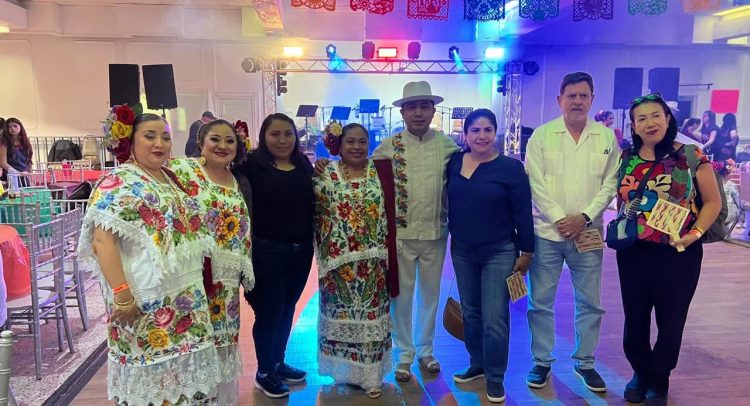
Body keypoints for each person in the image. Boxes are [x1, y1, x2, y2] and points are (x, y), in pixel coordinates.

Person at [79, 111, 222, 405]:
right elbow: (102, 241)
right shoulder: (119, 180)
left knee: (184, 386)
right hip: (143, 301)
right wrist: (122, 296)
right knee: (153, 387)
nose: (160, 143)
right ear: (130, 141)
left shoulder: (168, 177)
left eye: (166, 137)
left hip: (184, 299)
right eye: (150, 136)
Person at [615, 93, 721, 406]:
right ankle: (640, 371)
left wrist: (695, 233)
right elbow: (621, 199)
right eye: (642, 118)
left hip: (678, 253)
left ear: (667, 119)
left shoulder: (690, 154)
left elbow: (712, 201)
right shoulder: (627, 158)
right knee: (635, 319)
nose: (650, 123)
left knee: (671, 320)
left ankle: (659, 378)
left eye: (655, 115)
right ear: (634, 126)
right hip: (634, 252)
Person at [524, 72, 620, 393]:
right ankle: (541, 361)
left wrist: (585, 217)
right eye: (571, 96)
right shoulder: (542, 136)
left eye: (583, 96)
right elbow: (534, 182)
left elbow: (610, 183)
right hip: (546, 234)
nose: (577, 101)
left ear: (592, 99)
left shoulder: (605, 138)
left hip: (588, 234)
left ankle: (585, 362)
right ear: (560, 99)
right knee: (540, 302)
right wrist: (558, 218)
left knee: (590, 302)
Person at [365, 81, 459, 381]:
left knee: (430, 296)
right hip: (401, 236)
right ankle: (403, 355)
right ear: (403, 112)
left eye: (424, 107)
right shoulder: (388, 147)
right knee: (401, 297)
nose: (418, 113)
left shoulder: (448, 146)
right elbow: (366, 177)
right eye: (412, 107)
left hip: (435, 233)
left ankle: (426, 351)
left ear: (433, 111)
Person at [447, 109, 534, 403]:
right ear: (465, 135)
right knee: (471, 313)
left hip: (499, 251)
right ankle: (478, 365)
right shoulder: (455, 162)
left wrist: (527, 251)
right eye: (475, 130)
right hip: (462, 250)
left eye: (487, 130)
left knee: (495, 317)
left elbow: (523, 213)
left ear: (495, 133)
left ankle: (495, 377)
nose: (481, 136)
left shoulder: (511, 169)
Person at [169, 119, 254, 405]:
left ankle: (215, 398)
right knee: (192, 337)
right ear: (200, 143)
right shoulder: (183, 170)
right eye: (215, 139)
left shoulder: (238, 180)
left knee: (221, 339)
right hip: (191, 275)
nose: (222, 145)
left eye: (230, 140)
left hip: (226, 282)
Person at [234, 113, 315, 399]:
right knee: (269, 312)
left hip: (301, 250)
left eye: (288, 134)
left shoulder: (303, 164)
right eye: (275, 134)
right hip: (266, 251)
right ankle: (264, 371)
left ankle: (278, 362)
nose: (282, 140)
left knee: (287, 308)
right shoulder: (250, 166)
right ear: (263, 137)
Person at [313, 123, 396, 399]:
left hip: (374, 265)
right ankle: (347, 373)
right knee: (344, 319)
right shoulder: (325, 173)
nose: (357, 147)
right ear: (340, 144)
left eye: (362, 141)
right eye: (351, 141)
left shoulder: (380, 172)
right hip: (339, 266)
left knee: (371, 321)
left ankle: (371, 376)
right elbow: (314, 212)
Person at [0, 118, 33, 186]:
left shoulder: (25, 141)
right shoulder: (4, 143)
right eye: (9, 127)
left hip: (24, 174)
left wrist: (28, 172)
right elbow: (3, 163)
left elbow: (29, 160)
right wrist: (17, 173)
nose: (12, 128)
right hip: (10, 175)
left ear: (20, 127)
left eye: (15, 126)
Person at [714, 159, 741, 237]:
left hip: (715, 211)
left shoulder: (713, 184)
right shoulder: (731, 185)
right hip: (729, 212)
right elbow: (738, 201)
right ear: (728, 174)